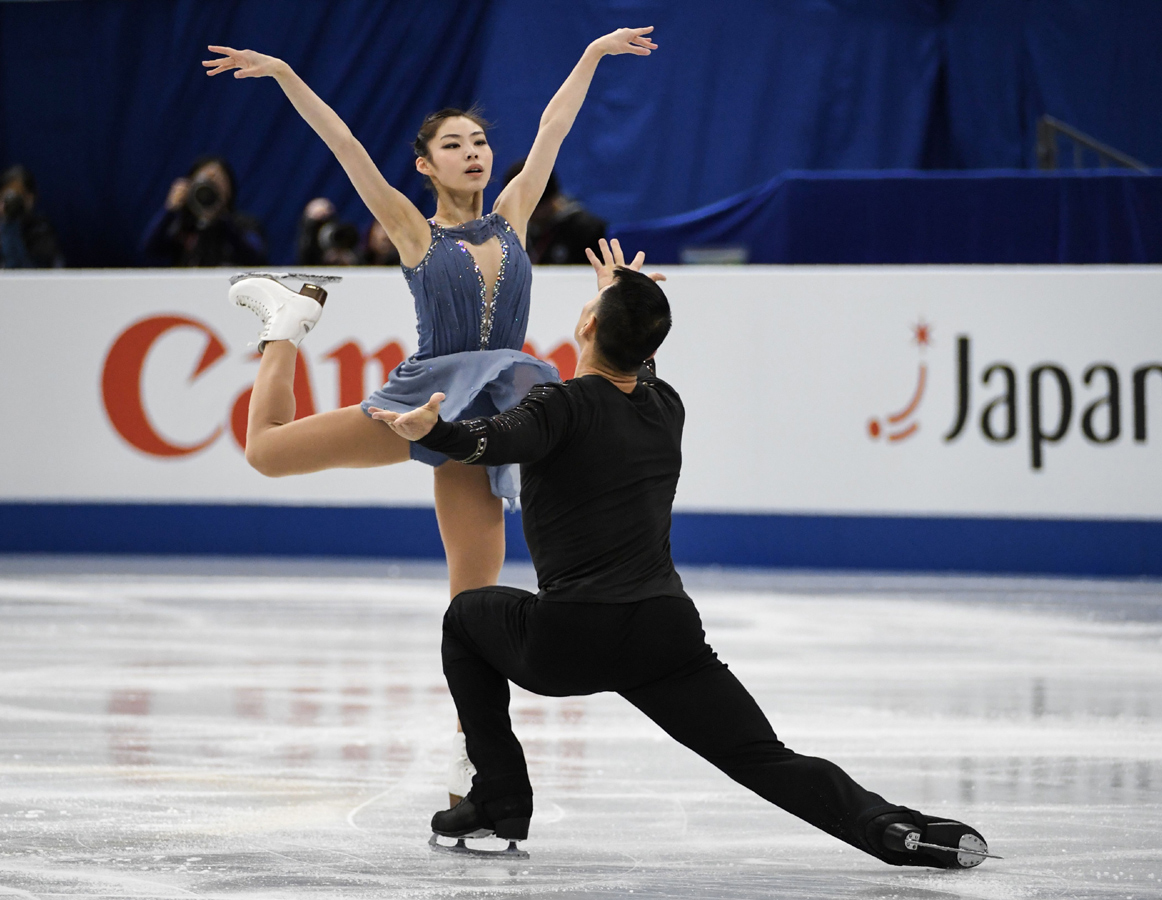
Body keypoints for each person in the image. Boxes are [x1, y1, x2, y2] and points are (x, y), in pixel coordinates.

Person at [370, 239, 995, 870]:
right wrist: (629, 303)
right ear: (649, 349)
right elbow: (636, 366)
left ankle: (500, 798)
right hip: (664, 634)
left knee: (466, 617)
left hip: (571, 638)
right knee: (761, 755)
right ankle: (891, 828)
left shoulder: (558, 405)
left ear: (586, 324)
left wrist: (435, 432)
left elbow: (491, 441)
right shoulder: (665, 408)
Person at [204, 27, 659, 804]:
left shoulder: (515, 213)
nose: (474, 152)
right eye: (454, 144)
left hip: (491, 419)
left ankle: (469, 766)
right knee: (267, 453)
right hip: (426, 399)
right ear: (426, 165)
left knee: (472, 604)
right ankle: (287, 319)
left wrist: (587, 55)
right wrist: (283, 71)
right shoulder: (414, 231)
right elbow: (344, 143)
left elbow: (552, 128)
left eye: (480, 141)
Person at [142, 156, 267, 267]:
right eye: (205, 181)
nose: (210, 188)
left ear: (229, 188)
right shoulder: (182, 225)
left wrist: (223, 219)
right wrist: (169, 210)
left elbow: (256, 256)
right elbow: (150, 249)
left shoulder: (243, 225)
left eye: (218, 181)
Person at [502, 160, 606, 264]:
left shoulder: (587, 231)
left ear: (550, 200)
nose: (526, 214)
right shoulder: (514, 235)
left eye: (530, 209)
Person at [0, 165, 64, 268]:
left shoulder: (41, 230)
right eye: (4, 198)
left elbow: (28, 271)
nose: (9, 204)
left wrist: (11, 228)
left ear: (29, 199)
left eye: (15, 198)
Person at [295, 197, 361, 266]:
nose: (323, 226)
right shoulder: (307, 246)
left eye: (328, 218)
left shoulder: (341, 239)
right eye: (318, 223)